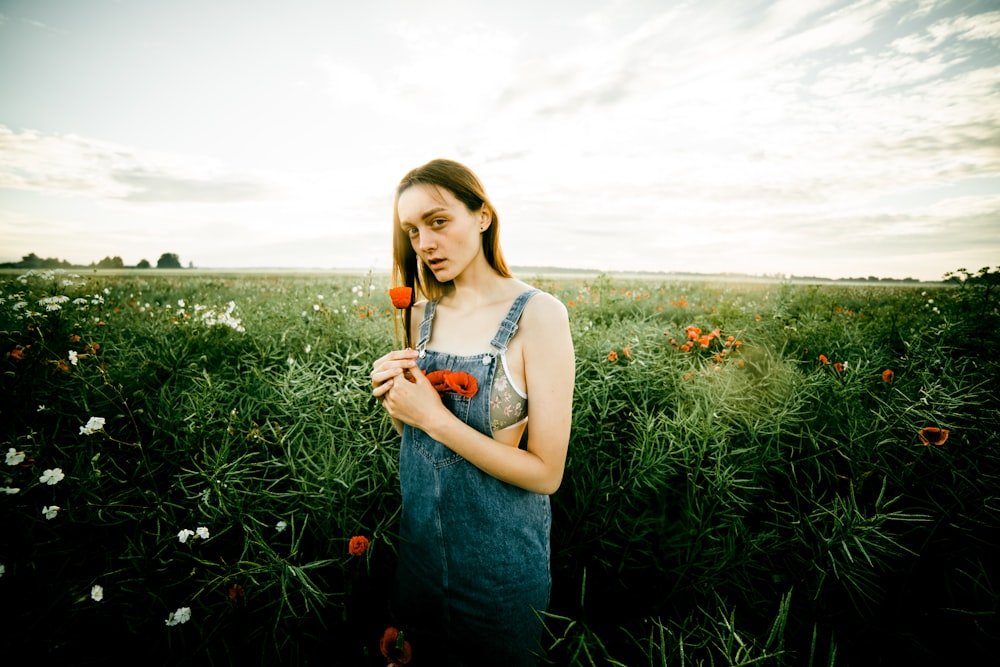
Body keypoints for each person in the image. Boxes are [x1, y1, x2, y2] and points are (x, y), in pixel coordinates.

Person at [370, 158, 575, 666]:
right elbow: (413, 436)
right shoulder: (419, 314)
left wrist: (436, 417)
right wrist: (395, 397)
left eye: (438, 221)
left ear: (482, 216)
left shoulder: (538, 316)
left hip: (499, 578)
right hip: (417, 559)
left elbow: (546, 474)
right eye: (412, 231)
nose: (425, 244)